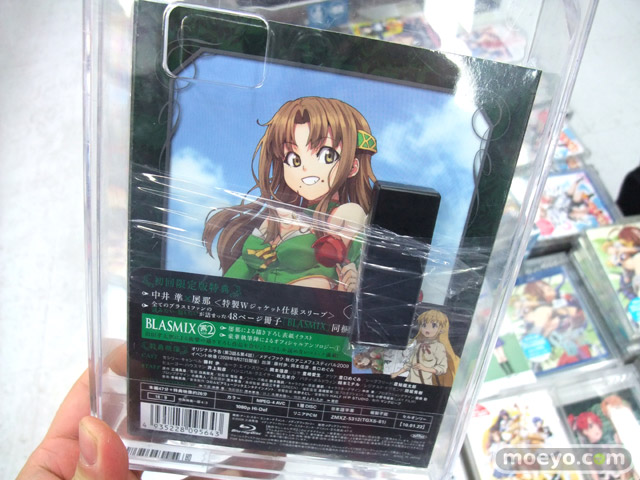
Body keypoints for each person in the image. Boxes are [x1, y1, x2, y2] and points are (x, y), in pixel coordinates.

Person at [202, 97, 377, 292]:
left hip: (313, 306)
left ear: (352, 167)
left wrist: (354, 281)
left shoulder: (347, 215)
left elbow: (355, 266)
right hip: (264, 304)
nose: (305, 168)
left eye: (326, 156)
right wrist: (220, 295)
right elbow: (244, 266)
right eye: (293, 159)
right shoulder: (283, 216)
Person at [390, 309, 459, 386]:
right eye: (424, 325)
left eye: (434, 326)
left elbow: (442, 368)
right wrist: (397, 373)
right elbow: (410, 364)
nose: (427, 329)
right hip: (409, 381)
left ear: (442, 329)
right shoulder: (419, 345)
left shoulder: (439, 346)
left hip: (424, 384)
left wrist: (424, 368)